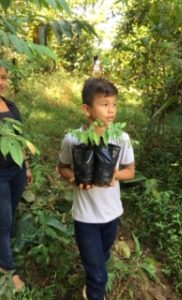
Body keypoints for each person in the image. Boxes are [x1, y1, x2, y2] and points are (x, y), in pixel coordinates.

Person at [58, 77, 135, 300]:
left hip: (111, 214)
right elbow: (62, 167)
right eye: (104, 104)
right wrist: (74, 177)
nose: (111, 111)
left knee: (103, 257)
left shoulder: (121, 138)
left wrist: (114, 175)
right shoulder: (73, 140)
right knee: (99, 274)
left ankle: (93, 279)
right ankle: (95, 291)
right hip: (85, 217)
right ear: (87, 109)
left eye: (114, 104)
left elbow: (130, 171)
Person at [0, 56, 32, 291]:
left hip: (16, 171)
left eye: (3, 77)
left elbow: (20, 140)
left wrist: (26, 166)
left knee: (9, 216)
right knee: (3, 223)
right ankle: (7, 268)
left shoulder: (11, 106)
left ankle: (4, 249)